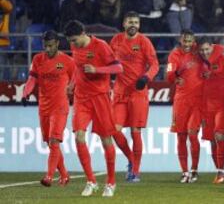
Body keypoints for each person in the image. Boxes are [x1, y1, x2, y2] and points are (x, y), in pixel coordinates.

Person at [64, 20, 123, 197]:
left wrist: (97, 69)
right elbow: (77, 68)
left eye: (74, 40)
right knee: (79, 136)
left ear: (83, 33)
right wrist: (72, 83)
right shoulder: (75, 47)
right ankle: (91, 181)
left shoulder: (101, 46)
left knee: (106, 139)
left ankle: (111, 183)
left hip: (100, 97)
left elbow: (118, 68)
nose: (72, 44)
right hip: (81, 98)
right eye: (70, 41)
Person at [110, 11, 159, 182]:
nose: (133, 25)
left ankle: (135, 171)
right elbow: (109, 61)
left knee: (135, 132)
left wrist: (146, 78)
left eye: (136, 22)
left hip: (138, 92)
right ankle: (131, 159)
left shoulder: (144, 42)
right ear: (124, 23)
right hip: (120, 92)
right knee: (113, 130)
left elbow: (154, 64)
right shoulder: (115, 40)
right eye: (130, 21)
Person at [22, 30, 75, 187]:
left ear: (57, 44)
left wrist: (74, 92)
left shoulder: (67, 61)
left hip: (60, 107)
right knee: (50, 143)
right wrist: (26, 93)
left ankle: (49, 177)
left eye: (50, 46)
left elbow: (76, 79)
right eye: (45, 46)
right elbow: (32, 78)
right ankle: (64, 175)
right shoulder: (38, 59)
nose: (47, 49)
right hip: (44, 107)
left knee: (54, 140)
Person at [166, 30, 203, 183]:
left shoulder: (198, 51)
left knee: (192, 133)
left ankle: (194, 169)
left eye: (190, 41)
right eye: (185, 41)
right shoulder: (174, 55)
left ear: (193, 40)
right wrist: (175, 78)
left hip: (197, 100)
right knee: (181, 136)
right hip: (181, 100)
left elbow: (214, 52)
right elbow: (169, 75)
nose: (187, 44)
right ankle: (184, 171)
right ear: (181, 40)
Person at [198, 37, 224, 184]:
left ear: (212, 47)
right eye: (202, 50)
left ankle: (221, 171)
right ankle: (220, 171)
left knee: (219, 136)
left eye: (207, 49)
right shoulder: (199, 63)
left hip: (222, 105)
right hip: (206, 106)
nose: (205, 52)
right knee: (212, 140)